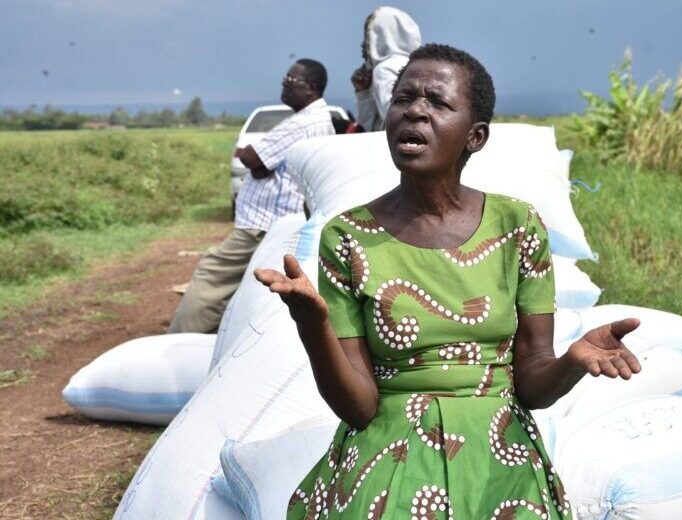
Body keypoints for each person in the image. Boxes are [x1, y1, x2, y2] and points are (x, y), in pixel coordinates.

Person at [255, 44, 641, 519]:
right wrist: (313, 326)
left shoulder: (517, 226)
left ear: (474, 137)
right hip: (389, 454)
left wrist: (574, 360)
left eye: (437, 102)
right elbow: (358, 408)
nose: (415, 110)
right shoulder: (349, 237)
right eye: (404, 98)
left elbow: (533, 385)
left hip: (500, 458)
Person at [168, 59, 334, 334]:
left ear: (311, 88)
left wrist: (255, 160)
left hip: (262, 225)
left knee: (212, 274)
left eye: (292, 81)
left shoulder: (304, 123)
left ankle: (182, 338)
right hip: (279, 222)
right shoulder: (317, 119)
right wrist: (258, 165)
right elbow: (259, 163)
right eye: (285, 78)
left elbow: (251, 156)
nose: (284, 84)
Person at [351, 6, 421, 131]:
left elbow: (390, 120)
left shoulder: (384, 69)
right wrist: (363, 91)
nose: (363, 45)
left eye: (368, 37)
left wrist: (363, 94)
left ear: (382, 37)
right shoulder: (418, 64)